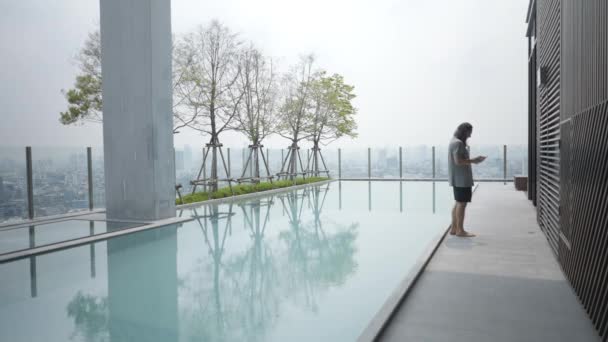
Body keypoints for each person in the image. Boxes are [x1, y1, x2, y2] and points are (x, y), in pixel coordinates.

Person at [448, 122, 486, 237]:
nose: (470, 136)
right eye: (469, 133)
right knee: (462, 204)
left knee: (458, 203)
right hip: (462, 179)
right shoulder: (458, 143)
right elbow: (458, 161)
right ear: (464, 132)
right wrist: (474, 160)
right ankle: (460, 230)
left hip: (457, 178)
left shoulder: (453, 141)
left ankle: (454, 229)